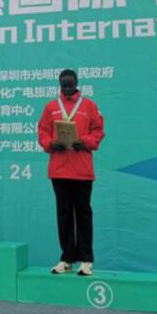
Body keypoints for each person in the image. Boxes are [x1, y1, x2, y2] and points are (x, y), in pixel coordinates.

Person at [37, 70, 105, 276]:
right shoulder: (51, 107)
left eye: (70, 85)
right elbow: (43, 131)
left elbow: (98, 131)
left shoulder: (89, 106)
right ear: (59, 85)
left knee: (83, 214)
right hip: (59, 169)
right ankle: (66, 258)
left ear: (77, 84)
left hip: (81, 169)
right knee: (64, 214)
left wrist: (84, 142)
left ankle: (86, 260)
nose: (67, 89)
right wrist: (51, 143)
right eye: (63, 85)